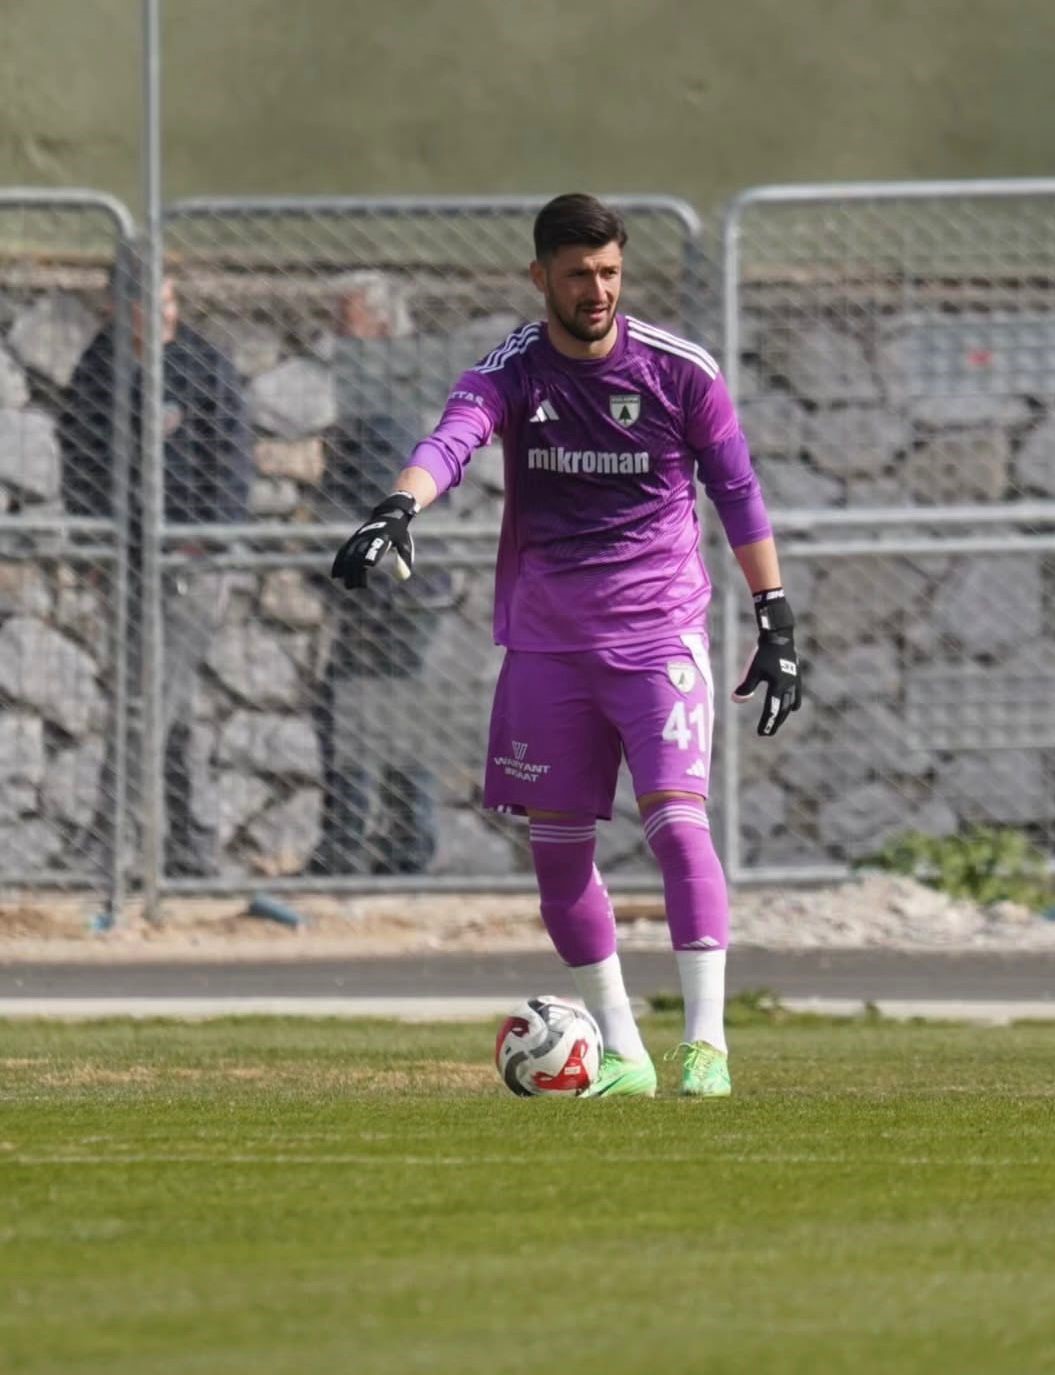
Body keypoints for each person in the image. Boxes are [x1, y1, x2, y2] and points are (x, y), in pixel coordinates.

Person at [331, 194, 801, 1097]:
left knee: (678, 825)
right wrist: (398, 506)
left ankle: (707, 1046)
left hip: (658, 636)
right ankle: (622, 1050)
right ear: (540, 275)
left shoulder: (679, 372)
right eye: (579, 273)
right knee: (557, 857)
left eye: (611, 271)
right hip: (548, 648)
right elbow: (451, 440)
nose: (598, 290)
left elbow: (738, 491)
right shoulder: (511, 371)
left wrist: (774, 617)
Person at [60, 269, 251, 876]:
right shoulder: (99, 368)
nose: (163, 314)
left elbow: (232, 468)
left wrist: (202, 544)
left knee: (144, 703)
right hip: (127, 562)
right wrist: (94, 548)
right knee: (172, 706)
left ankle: (110, 841)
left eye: (169, 301)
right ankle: (194, 842)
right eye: (150, 302)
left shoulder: (205, 367)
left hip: (190, 567)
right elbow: (79, 462)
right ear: (120, 307)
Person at [310, 272, 448, 876]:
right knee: (382, 707)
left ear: (381, 328)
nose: (335, 335)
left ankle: (358, 844)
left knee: (356, 704)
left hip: (392, 590)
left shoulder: (383, 402)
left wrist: (328, 524)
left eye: (346, 321)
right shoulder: (378, 393)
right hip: (394, 587)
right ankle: (400, 842)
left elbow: (376, 498)